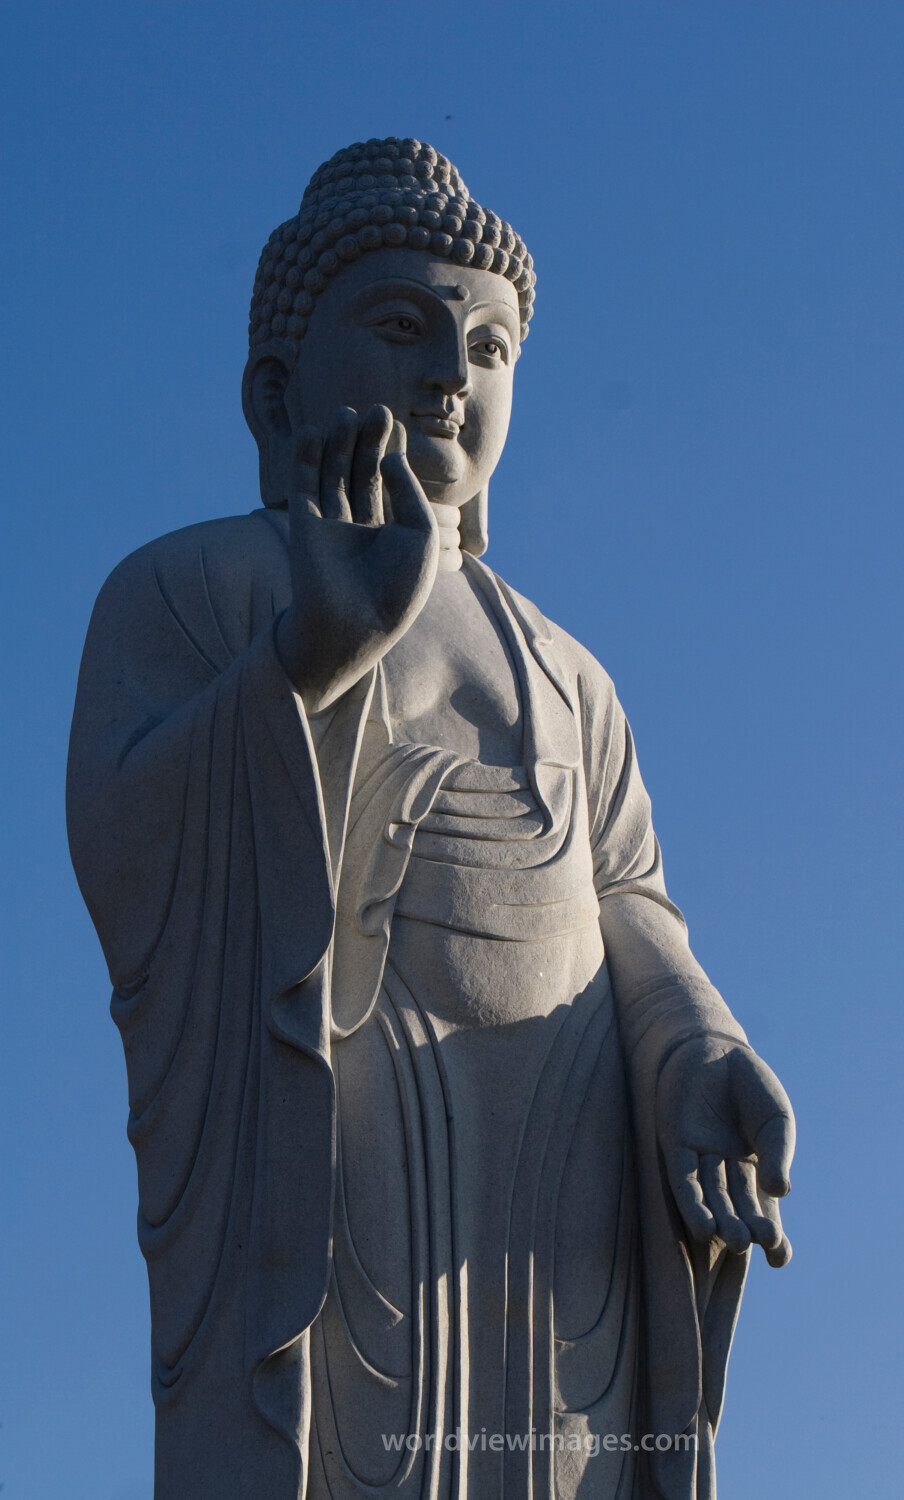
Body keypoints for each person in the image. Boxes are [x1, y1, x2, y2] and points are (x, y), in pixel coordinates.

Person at [67, 138, 795, 1500]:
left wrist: (701, 1046)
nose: (452, 372)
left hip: (562, 1210)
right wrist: (311, 657)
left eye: (492, 343)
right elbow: (124, 833)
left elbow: (633, 903)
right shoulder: (195, 589)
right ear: (277, 391)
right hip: (342, 1182)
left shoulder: (572, 676)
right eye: (401, 326)